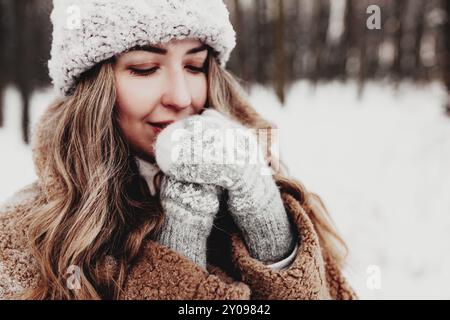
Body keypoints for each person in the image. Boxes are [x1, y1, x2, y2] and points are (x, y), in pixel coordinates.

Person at [0, 0, 356, 300]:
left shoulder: (259, 182)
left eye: (194, 66)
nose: (182, 97)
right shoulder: (24, 238)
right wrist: (178, 248)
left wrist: (266, 221)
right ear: (93, 89)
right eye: (145, 68)